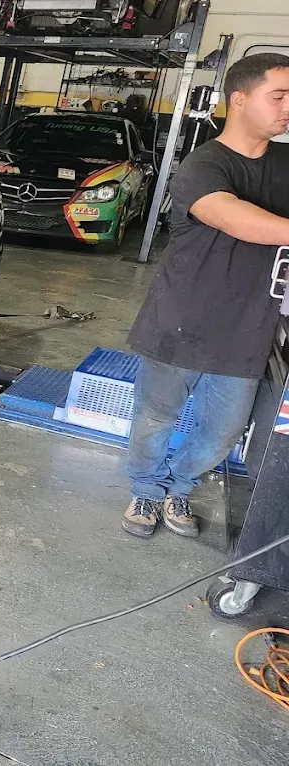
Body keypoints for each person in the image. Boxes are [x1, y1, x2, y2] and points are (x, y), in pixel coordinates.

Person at [121, 53, 289, 539]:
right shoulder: (202, 165)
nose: (287, 107)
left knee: (222, 433)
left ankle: (179, 489)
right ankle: (147, 493)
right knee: (155, 419)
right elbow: (233, 218)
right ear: (239, 99)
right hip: (180, 321)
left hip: (247, 330)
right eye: (277, 96)